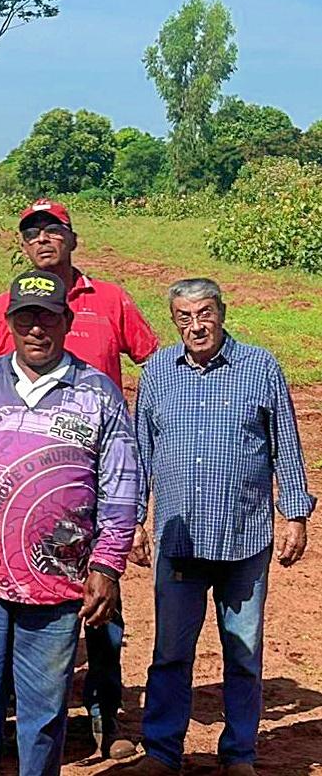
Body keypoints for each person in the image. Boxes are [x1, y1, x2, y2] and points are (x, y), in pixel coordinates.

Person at [0, 270, 139, 776]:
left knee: (43, 712)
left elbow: (123, 485)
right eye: (25, 319)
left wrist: (107, 565)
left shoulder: (99, 393)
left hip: (58, 581)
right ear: (9, 323)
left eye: (47, 318)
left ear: (66, 321)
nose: (36, 329)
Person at [0, 199, 158, 758]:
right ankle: (19, 722)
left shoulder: (111, 299)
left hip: (94, 482)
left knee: (103, 612)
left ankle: (105, 717)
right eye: (32, 234)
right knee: (16, 625)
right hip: (21, 500)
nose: (43, 241)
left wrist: (143, 446)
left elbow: (154, 364)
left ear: (73, 239)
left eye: (53, 231)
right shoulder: (4, 306)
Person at [126, 279, 314, 776]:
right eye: (184, 317)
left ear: (222, 312)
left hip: (244, 538)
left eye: (205, 313)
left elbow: (286, 444)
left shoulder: (260, 366)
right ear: (174, 321)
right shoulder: (158, 372)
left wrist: (295, 513)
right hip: (179, 539)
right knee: (170, 652)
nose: (196, 326)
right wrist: (134, 521)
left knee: (244, 653)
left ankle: (239, 755)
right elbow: (140, 455)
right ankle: (161, 752)